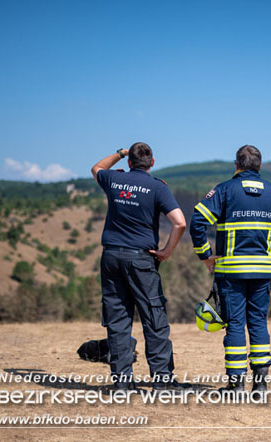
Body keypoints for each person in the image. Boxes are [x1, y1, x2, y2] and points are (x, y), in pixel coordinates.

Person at [189, 145, 271, 393]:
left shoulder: (224, 189)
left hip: (231, 271)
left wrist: (205, 255)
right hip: (262, 271)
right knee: (257, 322)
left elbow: (198, 221)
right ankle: (261, 384)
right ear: (259, 166)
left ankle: (235, 386)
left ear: (236, 165)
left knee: (234, 324)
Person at [92, 142, 187, 391]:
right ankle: (162, 382)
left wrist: (119, 153)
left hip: (111, 257)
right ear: (152, 163)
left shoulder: (114, 179)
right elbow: (179, 223)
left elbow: (96, 168)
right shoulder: (157, 187)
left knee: (118, 320)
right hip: (142, 259)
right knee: (153, 318)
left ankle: (122, 384)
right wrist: (166, 251)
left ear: (129, 162)